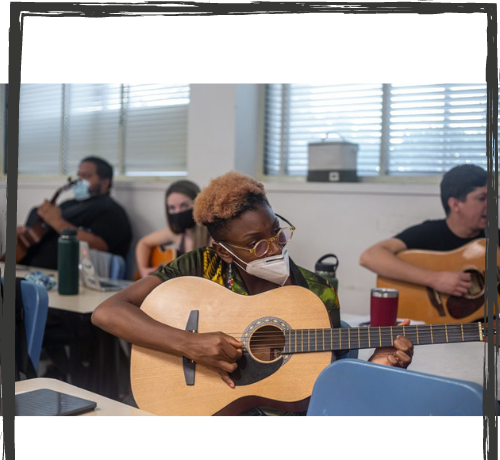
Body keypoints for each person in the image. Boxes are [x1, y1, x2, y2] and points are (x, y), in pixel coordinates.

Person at [92, 171, 413, 415]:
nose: (274, 248)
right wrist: (191, 344)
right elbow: (107, 312)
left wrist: (375, 366)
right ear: (224, 252)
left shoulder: (318, 292)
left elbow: (319, 392)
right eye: (257, 244)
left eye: (277, 232)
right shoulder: (199, 265)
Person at [360, 164, 498, 297]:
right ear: (455, 204)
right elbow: (370, 257)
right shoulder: (430, 233)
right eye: (482, 198)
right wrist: (434, 279)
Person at [17, 156, 132, 270]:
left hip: (66, 277)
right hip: (27, 268)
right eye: (79, 175)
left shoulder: (112, 211)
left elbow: (99, 246)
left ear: (105, 182)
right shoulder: (68, 204)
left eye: (87, 176)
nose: (79, 180)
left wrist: (56, 222)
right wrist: (26, 235)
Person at [135, 180, 210, 278]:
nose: (178, 211)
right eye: (172, 208)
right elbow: (143, 243)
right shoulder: (175, 233)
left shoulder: (212, 235)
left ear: (198, 203)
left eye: (184, 205)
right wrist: (143, 270)